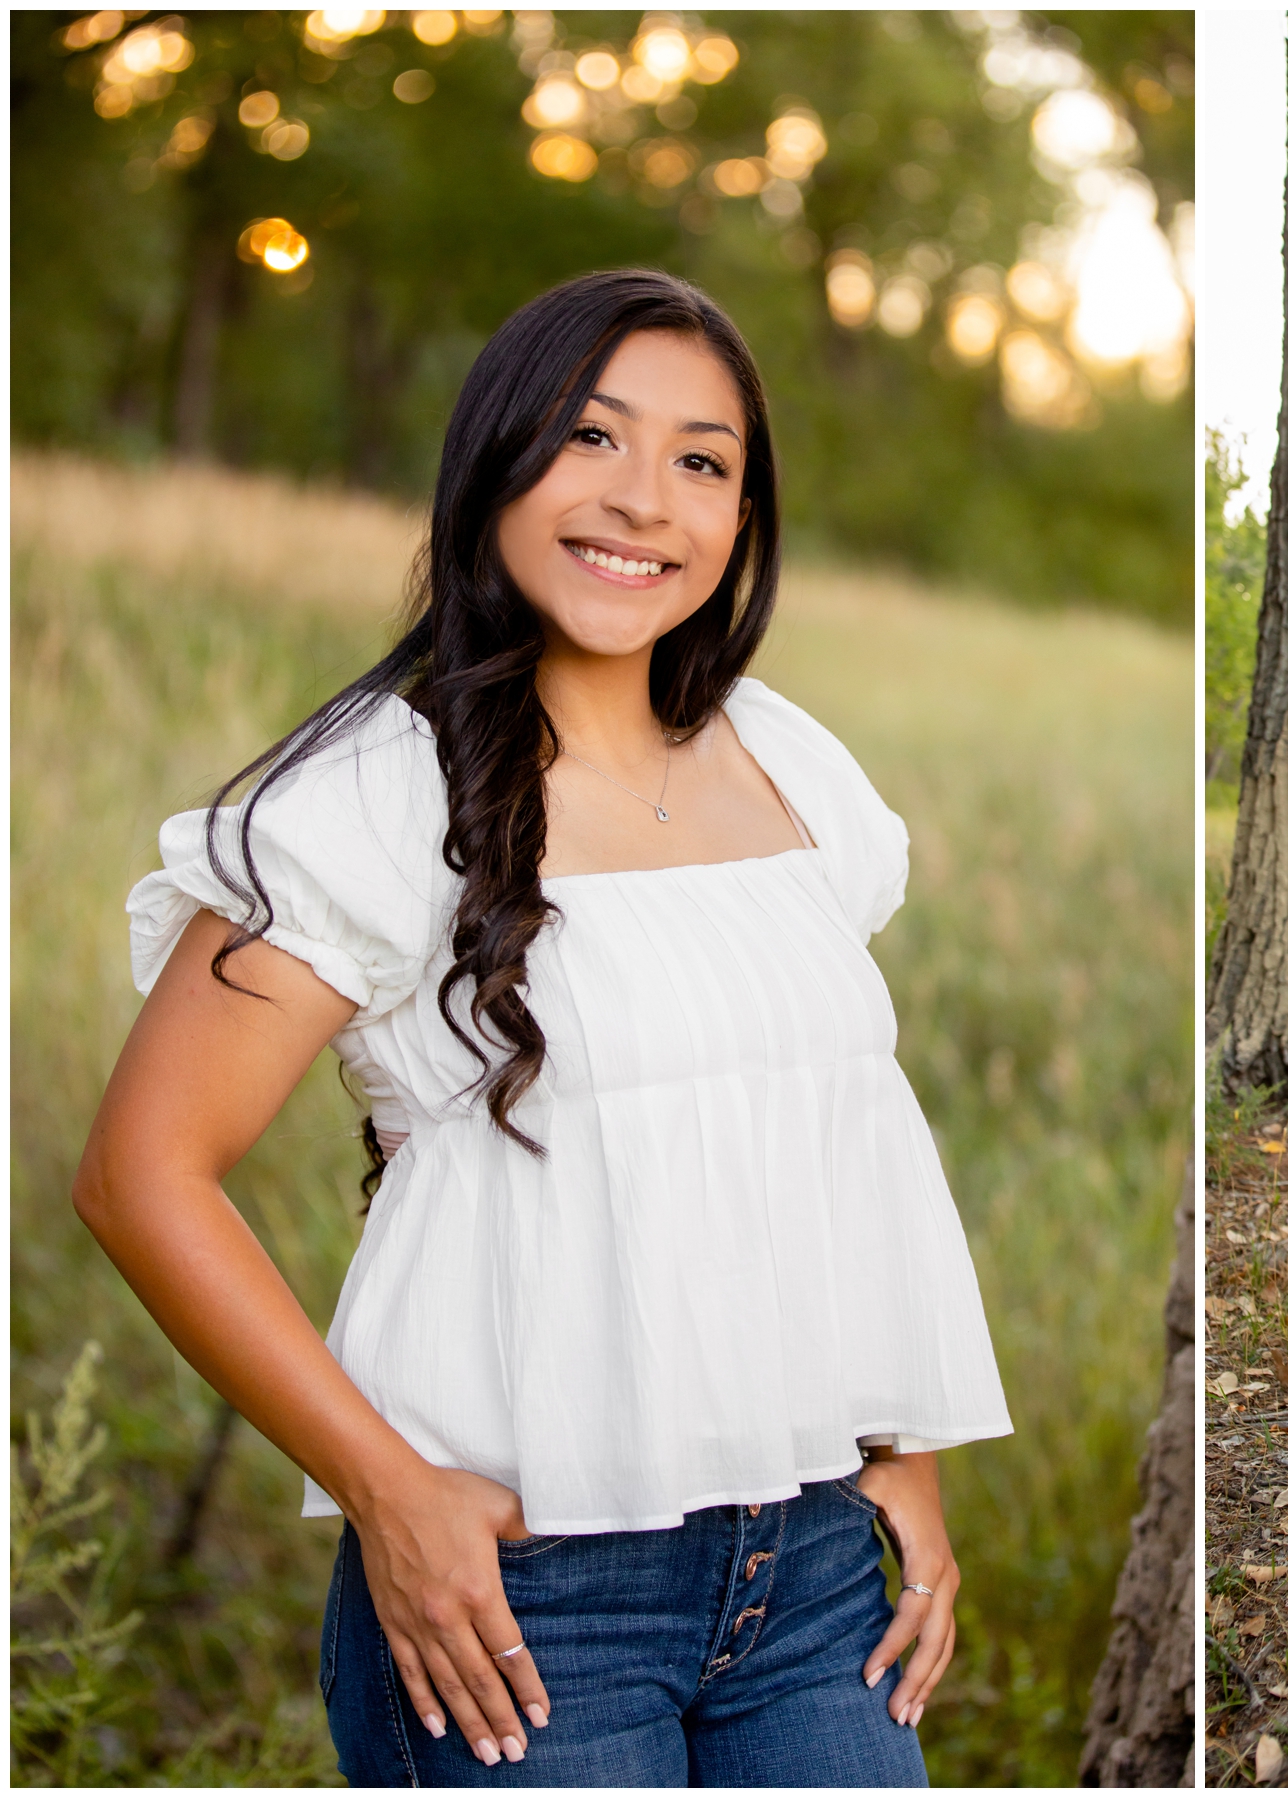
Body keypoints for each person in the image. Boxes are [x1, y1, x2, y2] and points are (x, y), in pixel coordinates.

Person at [72, 269, 1011, 1784]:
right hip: (525, 1594)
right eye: (593, 439)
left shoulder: (790, 767)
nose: (645, 500)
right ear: (495, 459)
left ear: (743, 516)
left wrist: (902, 1448)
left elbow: (817, 1143)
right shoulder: (368, 796)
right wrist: (386, 1489)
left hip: (816, 1569)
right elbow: (140, 1170)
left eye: (703, 461)